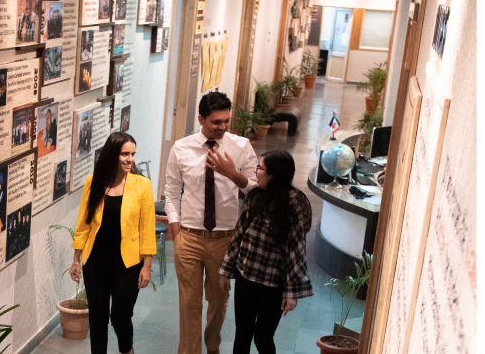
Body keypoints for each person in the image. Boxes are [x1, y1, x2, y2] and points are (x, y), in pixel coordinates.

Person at [164, 91, 258, 354]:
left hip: (224, 239)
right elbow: (171, 193)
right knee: (189, 303)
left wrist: (233, 174)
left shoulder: (241, 147)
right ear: (201, 119)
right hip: (189, 237)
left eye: (226, 121)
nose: (223, 127)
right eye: (216, 122)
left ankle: (212, 346)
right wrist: (176, 231)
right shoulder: (181, 148)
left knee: (218, 301)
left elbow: (257, 191)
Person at [219, 150, 313, 354]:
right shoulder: (254, 195)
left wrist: (292, 292)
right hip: (247, 276)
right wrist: (226, 270)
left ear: (273, 174)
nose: (256, 172)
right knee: (242, 334)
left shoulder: (295, 202)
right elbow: (239, 234)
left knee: (262, 336)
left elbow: (296, 249)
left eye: (260, 168)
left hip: (274, 283)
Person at [70, 132, 156, 354]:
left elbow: (147, 228)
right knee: (97, 319)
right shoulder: (94, 183)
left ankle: (126, 350)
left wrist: (147, 265)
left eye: (132, 154)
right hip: (96, 262)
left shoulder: (142, 185)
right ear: (112, 155)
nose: (130, 159)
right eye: (124, 154)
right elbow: (84, 222)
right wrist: (76, 258)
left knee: (120, 316)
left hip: (127, 264)